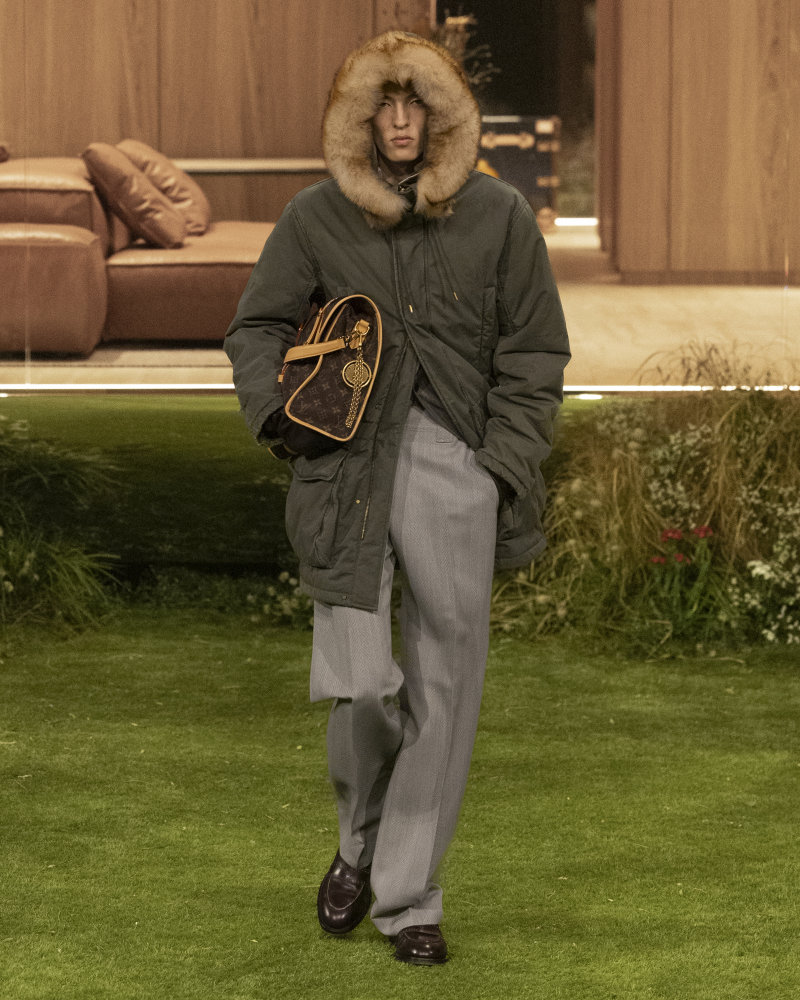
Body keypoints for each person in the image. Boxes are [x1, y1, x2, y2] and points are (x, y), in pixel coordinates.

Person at [225, 30, 570, 966]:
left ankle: (409, 896)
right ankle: (358, 845)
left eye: (417, 103)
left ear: (444, 115)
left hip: (457, 464)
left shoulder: (499, 216)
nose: (402, 120)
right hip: (345, 469)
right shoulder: (316, 217)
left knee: (445, 689)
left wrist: (500, 465)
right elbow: (257, 326)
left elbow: (536, 351)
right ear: (361, 119)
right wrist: (279, 417)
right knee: (365, 684)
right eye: (385, 104)